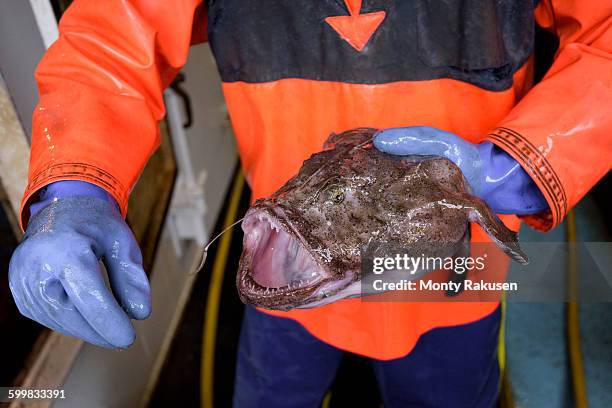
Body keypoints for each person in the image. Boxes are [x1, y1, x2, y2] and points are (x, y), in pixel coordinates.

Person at [8, 1, 611, 406]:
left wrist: (529, 164)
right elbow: (110, 37)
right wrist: (74, 185)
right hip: (287, 272)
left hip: (457, 276)